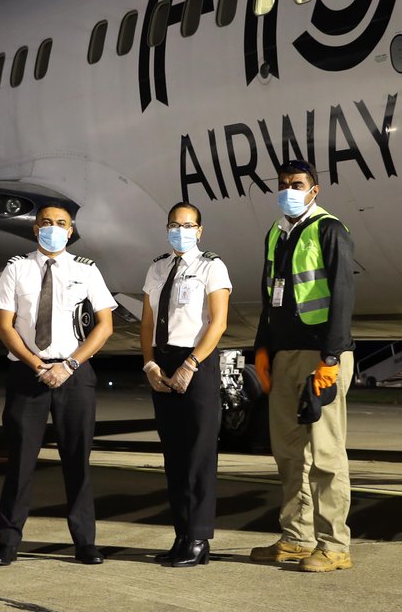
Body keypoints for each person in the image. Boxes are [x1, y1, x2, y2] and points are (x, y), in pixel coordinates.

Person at [0, 204, 116, 566]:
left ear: (71, 231)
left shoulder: (86, 270)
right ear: (34, 228)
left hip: (74, 376)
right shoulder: (17, 268)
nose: (53, 228)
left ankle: (85, 542)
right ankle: (8, 542)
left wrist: (70, 364)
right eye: (46, 223)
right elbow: (4, 326)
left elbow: (104, 325)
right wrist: (37, 365)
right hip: (27, 374)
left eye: (61, 224)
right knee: (20, 462)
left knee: (78, 462)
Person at [249, 159, 356, 573]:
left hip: (320, 355)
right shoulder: (276, 233)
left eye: (296, 184)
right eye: (282, 184)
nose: (288, 190)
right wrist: (262, 349)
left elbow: (343, 295)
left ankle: (335, 545)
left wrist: (331, 359)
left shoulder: (330, 230)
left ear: (315, 190)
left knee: (327, 454)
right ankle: (297, 537)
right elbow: (269, 295)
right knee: (289, 454)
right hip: (285, 354)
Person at [140, 202, 231, 568]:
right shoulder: (158, 267)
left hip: (196, 361)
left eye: (188, 225)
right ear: (167, 228)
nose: (181, 231)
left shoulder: (211, 266)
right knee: (174, 456)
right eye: (175, 225)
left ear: (200, 230)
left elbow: (219, 322)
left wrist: (191, 364)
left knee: (198, 456)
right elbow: (147, 321)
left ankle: (199, 538)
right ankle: (181, 534)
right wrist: (149, 363)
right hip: (162, 362)